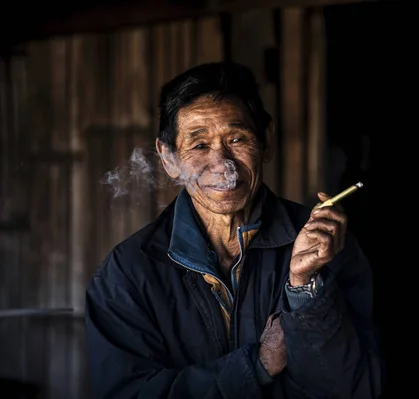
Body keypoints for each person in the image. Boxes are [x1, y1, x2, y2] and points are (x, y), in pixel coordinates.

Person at [85, 61, 385, 398]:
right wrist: (257, 364)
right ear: (168, 158)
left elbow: (355, 389)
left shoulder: (325, 246)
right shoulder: (128, 272)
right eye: (199, 146)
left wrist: (305, 290)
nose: (222, 164)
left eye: (237, 138)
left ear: (266, 141)